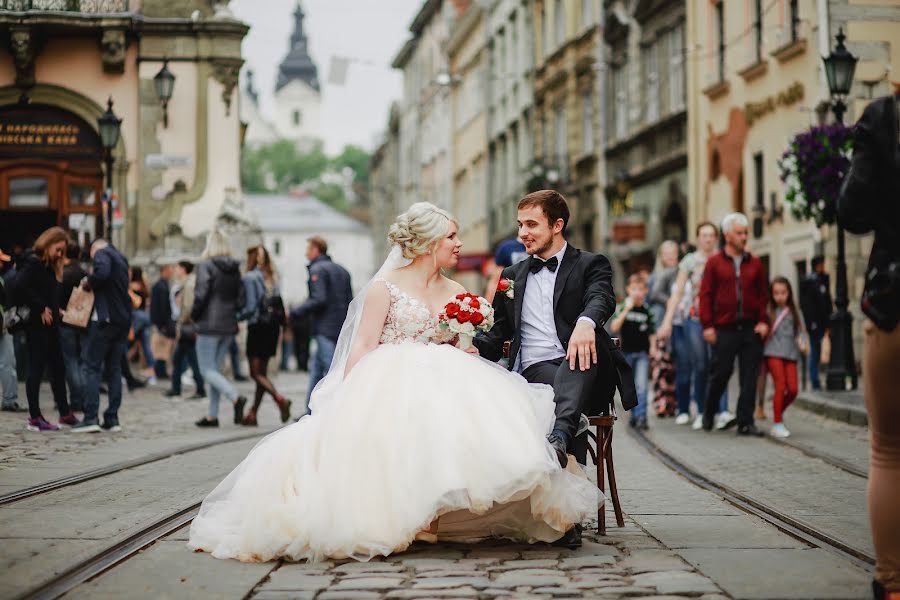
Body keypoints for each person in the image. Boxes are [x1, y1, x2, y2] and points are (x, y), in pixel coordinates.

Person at [187, 201, 599, 563]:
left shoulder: (457, 289)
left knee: (483, 420)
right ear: (427, 242)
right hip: (389, 376)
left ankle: (443, 512)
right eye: (452, 236)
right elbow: (362, 346)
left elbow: (463, 343)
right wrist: (349, 400)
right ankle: (410, 515)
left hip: (447, 372)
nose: (458, 243)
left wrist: (466, 346)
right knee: (407, 422)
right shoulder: (384, 289)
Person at [474, 190, 637, 479]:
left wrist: (586, 323)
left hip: (588, 372)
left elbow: (602, 296)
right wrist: (466, 344)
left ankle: (560, 435)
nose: (523, 233)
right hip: (536, 371)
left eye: (532, 225)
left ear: (557, 225)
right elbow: (498, 334)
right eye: (520, 225)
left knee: (577, 360)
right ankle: (567, 489)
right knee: (556, 392)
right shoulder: (511, 275)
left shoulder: (590, 263)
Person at [837, 89, 900, 600]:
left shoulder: (887, 116)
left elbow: (853, 211)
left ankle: (893, 583)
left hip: (894, 300)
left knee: (889, 453)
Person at [657, 223, 734, 430]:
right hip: (694, 318)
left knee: (720, 365)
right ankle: (701, 411)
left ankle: (723, 411)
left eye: (711, 235)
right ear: (698, 238)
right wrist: (667, 322)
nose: (708, 239)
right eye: (704, 235)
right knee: (700, 365)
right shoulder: (690, 262)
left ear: (716, 238)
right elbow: (678, 292)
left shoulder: (724, 257)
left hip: (720, 320)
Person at [699, 213, 769, 436]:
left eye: (746, 233)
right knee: (721, 372)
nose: (744, 237)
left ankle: (745, 421)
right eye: (740, 233)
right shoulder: (714, 263)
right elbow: (706, 295)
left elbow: (762, 296)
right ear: (728, 235)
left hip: (750, 328)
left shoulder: (755, 263)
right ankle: (709, 412)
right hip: (724, 328)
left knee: (750, 375)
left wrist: (763, 321)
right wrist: (708, 326)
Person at [15, 227, 79, 431]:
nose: (60, 254)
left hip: (51, 325)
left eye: (62, 251)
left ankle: (65, 412)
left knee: (58, 368)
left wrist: (55, 308)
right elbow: (19, 286)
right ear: (49, 243)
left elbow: (44, 290)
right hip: (37, 325)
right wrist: (41, 307)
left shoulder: (48, 265)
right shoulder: (34, 261)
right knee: (36, 368)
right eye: (58, 249)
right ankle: (34, 417)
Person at [72, 238, 133, 433]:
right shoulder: (121, 258)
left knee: (92, 367)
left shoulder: (102, 254)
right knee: (114, 368)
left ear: (94, 249)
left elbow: (102, 273)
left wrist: (89, 281)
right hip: (122, 320)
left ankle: (91, 417)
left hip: (105, 320)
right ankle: (112, 417)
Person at [290, 236, 353, 415]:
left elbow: (319, 299)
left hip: (324, 327)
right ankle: (310, 412)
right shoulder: (343, 270)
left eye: (308, 249)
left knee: (332, 372)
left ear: (317, 250)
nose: (306, 253)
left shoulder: (317, 269)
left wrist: (296, 312)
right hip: (340, 327)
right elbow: (351, 301)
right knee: (316, 371)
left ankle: (339, 411)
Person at [192, 230, 247, 428]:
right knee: (214, 370)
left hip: (208, 324)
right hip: (228, 325)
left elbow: (201, 295)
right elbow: (241, 299)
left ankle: (235, 397)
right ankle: (212, 416)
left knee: (206, 370)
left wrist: (194, 317)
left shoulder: (206, 265)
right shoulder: (235, 268)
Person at [237, 245, 290, 426]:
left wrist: (238, 316)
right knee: (262, 373)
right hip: (273, 328)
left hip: (258, 327)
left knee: (255, 373)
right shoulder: (272, 275)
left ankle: (280, 399)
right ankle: (253, 413)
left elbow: (251, 307)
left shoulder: (250, 277)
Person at [609, 274, 656, 430]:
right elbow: (614, 327)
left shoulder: (647, 310)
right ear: (628, 290)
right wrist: (626, 309)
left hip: (642, 353)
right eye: (634, 289)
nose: (637, 292)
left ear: (646, 291)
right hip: (626, 354)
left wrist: (653, 348)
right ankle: (634, 416)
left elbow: (652, 331)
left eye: (641, 289)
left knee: (642, 385)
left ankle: (642, 416)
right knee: (630, 386)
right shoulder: (623, 307)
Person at [764, 277, 806, 439]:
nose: (780, 296)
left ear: (789, 293)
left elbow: (801, 331)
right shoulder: (769, 310)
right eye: (776, 293)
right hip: (773, 351)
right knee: (780, 386)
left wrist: (802, 343)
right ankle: (777, 423)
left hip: (790, 353)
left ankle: (777, 410)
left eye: (783, 293)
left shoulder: (795, 311)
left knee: (793, 389)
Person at [164, 260, 206, 400]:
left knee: (192, 359)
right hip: (189, 326)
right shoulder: (189, 282)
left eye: (177, 268)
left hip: (187, 326)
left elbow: (187, 307)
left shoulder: (189, 284)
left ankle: (199, 388)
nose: (175, 270)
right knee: (179, 358)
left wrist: (180, 323)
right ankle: (177, 388)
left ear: (183, 269)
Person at [647, 240, 679, 417]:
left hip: (678, 324)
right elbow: (650, 300)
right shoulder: (655, 277)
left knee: (674, 365)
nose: (670, 256)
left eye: (673, 252)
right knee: (661, 364)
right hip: (660, 325)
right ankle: (660, 402)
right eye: (666, 253)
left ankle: (673, 403)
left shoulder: (681, 273)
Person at [59, 240, 87, 413]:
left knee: (70, 361)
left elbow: (57, 297)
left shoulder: (64, 274)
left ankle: (77, 399)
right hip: (82, 319)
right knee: (82, 360)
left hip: (66, 320)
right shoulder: (84, 273)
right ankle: (84, 397)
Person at [798, 255, 832, 391]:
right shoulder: (809, 282)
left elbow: (827, 302)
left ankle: (817, 379)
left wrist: (828, 323)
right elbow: (807, 305)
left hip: (823, 323)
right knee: (815, 351)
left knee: (820, 351)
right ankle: (814, 380)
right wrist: (811, 323)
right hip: (815, 323)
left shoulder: (823, 279)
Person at [0, 249, 24, 413]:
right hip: (1, 327)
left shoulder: (3, 279)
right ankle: (9, 400)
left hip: (2, 325)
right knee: (7, 362)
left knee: (8, 362)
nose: (2, 264)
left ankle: (9, 399)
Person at [129, 266, 156, 382]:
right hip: (145, 316)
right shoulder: (144, 286)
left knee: (126, 342)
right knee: (146, 346)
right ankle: (152, 373)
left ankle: (122, 370)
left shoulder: (132, 286)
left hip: (136, 316)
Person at [150, 263, 175, 379]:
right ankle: (160, 371)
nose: (172, 272)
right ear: (164, 271)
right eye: (170, 270)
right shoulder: (161, 286)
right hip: (162, 323)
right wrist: (163, 324)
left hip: (161, 322)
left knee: (162, 348)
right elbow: (161, 307)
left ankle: (160, 371)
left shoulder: (161, 285)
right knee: (162, 348)